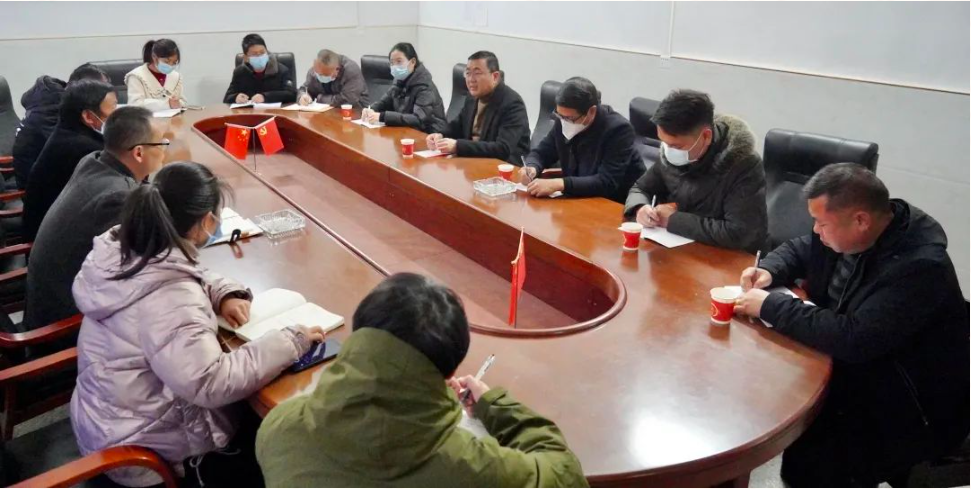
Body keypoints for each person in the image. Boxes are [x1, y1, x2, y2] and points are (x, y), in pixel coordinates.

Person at [70, 161, 325, 487]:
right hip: (147, 454)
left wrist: (224, 293)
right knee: (287, 443)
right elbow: (210, 383)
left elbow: (181, 272)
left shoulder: (128, 247)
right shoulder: (171, 297)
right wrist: (291, 341)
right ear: (207, 222)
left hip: (111, 421)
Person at [734, 163, 969, 487]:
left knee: (814, 461)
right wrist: (770, 269)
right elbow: (802, 247)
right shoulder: (853, 234)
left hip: (901, 399)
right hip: (850, 365)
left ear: (861, 220)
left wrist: (771, 305)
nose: (816, 230)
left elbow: (854, 338)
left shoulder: (920, 268)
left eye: (822, 223)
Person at [256, 273, 588, 487]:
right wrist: (493, 405)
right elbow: (566, 474)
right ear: (449, 374)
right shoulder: (473, 467)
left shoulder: (277, 428)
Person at [23, 106, 166, 331]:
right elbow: (144, 266)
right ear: (138, 153)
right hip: (63, 324)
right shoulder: (118, 197)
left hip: (49, 297)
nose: (165, 149)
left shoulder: (94, 161)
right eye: (162, 144)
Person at [623, 89, 767, 253]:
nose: (668, 150)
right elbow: (640, 188)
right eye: (664, 142)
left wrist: (673, 220)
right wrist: (640, 208)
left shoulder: (743, 164)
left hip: (731, 258)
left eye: (676, 146)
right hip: (682, 248)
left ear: (706, 136)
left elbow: (739, 233)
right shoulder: (670, 155)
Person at [521, 77, 644, 203]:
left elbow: (606, 181)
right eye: (559, 115)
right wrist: (532, 166)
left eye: (569, 118)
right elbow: (542, 152)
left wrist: (560, 184)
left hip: (613, 203)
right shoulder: (563, 120)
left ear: (591, 111)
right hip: (579, 198)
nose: (563, 122)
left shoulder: (619, 130)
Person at [23, 79, 118, 241]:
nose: (118, 115)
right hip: (56, 241)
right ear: (88, 116)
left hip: (60, 229)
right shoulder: (84, 150)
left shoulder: (68, 133)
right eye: (113, 109)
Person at [11, 63, 109, 189]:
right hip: (39, 186)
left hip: (57, 177)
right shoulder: (52, 111)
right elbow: (74, 149)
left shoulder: (57, 101)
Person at [425, 51, 530, 166]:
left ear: (495, 76)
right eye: (468, 73)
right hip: (473, 162)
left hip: (503, 168)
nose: (471, 79)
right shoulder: (472, 97)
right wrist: (440, 135)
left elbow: (502, 149)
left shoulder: (512, 104)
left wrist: (457, 146)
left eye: (477, 73)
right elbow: (457, 126)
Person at [361, 42, 447, 134]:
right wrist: (371, 109)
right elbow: (385, 102)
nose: (395, 67)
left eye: (399, 61)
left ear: (413, 62)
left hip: (430, 134)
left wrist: (382, 116)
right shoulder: (399, 81)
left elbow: (418, 119)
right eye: (392, 63)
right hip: (408, 131)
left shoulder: (424, 86)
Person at [223, 33, 296, 105]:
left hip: (275, 111)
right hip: (249, 111)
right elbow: (227, 98)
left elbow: (291, 95)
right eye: (254, 54)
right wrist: (236, 97)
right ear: (246, 58)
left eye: (262, 52)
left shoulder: (281, 70)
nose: (259, 56)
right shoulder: (239, 72)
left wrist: (265, 97)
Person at [125, 38, 185, 111]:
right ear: (154, 57)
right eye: (166, 61)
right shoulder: (136, 76)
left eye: (174, 62)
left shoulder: (176, 76)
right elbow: (134, 105)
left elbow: (182, 101)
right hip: (146, 118)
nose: (170, 65)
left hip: (175, 118)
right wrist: (167, 104)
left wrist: (178, 103)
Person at [297, 49, 369, 108]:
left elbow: (348, 100)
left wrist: (320, 98)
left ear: (337, 69)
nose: (318, 76)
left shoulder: (351, 70)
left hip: (355, 111)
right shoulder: (316, 70)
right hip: (326, 111)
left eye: (323, 74)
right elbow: (305, 88)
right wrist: (302, 96)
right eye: (317, 73)